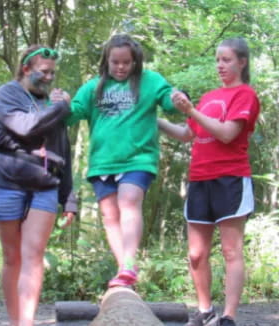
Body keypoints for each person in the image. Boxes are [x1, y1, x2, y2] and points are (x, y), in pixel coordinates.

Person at [158, 38, 260, 326]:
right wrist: (152, 121)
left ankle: (228, 316)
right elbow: (187, 134)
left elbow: (227, 133)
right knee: (195, 253)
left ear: (242, 62)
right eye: (218, 60)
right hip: (199, 179)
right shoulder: (208, 97)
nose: (220, 65)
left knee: (230, 250)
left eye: (227, 60)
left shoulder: (245, 95)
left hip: (230, 178)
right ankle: (205, 311)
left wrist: (191, 110)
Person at [68, 34, 180, 287]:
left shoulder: (150, 81)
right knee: (110, 216)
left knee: (129, 201)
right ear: (106, 61)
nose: (120, 67)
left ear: (135, 62)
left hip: (138, 158)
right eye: (115, 62)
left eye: (126, 62)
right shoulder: (92, 88)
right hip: (103, 162)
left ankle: (130, 261)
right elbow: (71, 115)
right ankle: (124, 269)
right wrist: (59, 104)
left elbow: (169, 102)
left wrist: (177, 99)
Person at [0, 45, 77, 326]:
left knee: (34, 255)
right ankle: (15, 322)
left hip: (45, 183)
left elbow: (63, 149)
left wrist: (68, 197)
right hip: (6, 180)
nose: (49, 77)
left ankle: (27, 322)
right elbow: (24, 127)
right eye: (43, 72)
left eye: (53, 73)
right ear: (26, 69)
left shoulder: (52, 103)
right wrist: (60, 107)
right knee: (13, 257)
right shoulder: (7, 94)